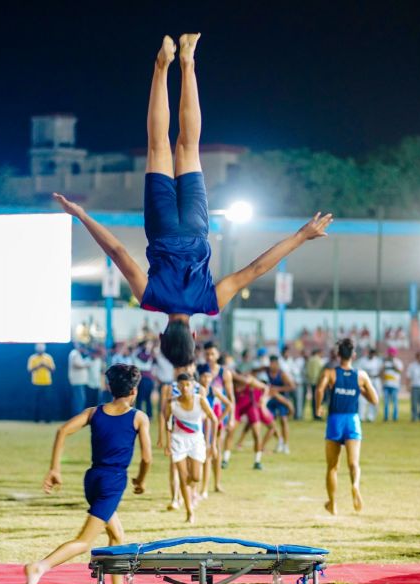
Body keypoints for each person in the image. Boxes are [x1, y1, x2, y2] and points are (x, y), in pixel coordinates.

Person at [53, 34, 332, 367]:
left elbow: (256, 268)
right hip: (162, 227)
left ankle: (188, 61)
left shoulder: (210, 301)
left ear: (195, 336)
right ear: (162, 336)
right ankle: (162, 64)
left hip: (197, 226)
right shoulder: (150, 298)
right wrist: (82, 216)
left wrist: (302, 235)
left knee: (189, 146)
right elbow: (118, 253)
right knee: (159, 146)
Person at [22, 364, 152, 584]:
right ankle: (40, 566)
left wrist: (55, 469)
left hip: (92, 479)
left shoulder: (94, 412)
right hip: (112, 483)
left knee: (116, 535)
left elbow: (62, 431)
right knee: (84, 541)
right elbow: (147, 458)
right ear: (134, 391)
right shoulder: (138, 417)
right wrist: (141, 481)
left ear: (108, 387)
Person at [315, 338, 378, 514]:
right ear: (354, 355)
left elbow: (319, 389)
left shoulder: (330, 373)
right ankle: (355, 486)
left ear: (337, 355)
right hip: (352, 420)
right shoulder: (361, 376)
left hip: (335, 419)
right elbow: (375, 400)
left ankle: (333, 503)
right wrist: (360, 390)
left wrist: (318, 407)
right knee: (354, 463)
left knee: (333, 466)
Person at [165, 373, 217, 523]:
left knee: (195, 477)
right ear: (178, 386)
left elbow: (213, 419)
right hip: (178, 441)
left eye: (187, 385)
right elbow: (167, 421)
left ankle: (188, 490)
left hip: (196, 441)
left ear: (193, 385)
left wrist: (211, 444)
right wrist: (167, 442)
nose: (185, 388)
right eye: (182, 385)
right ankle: (189, 512)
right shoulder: (172, 403)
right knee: (182, 476)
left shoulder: (200, 400)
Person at [197, 364, 233, 497]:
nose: (206, 379)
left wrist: (218, 420)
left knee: (208, 457)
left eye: (209, 376)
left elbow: (229, 404)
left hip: (209, 428)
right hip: (197, 426)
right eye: (204, 376)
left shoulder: (213, 391)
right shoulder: (195, 390)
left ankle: (204, 489)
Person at [267, 355, 295, 453]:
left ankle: (286, 445)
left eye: (273, 364)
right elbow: (256, 370)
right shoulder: (267, 370)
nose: (271, 365)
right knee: (270, 422)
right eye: (270, 363)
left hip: (282, 399)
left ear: (277, 364)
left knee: (283, 420)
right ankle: (280, 440)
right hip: (272, 400)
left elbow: (292, 386)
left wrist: (278, 389)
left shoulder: (282, 374)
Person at [27, 343, 56, 423]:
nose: (40, 349)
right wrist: (39, 365)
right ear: (36, 349)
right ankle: (36, 419)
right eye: (39, 348)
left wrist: (45, 365)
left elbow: (53, 370)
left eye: (41, 348)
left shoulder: (48, 357)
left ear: (44, 349)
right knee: (36, 402)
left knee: (48, 402)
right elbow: (29, 370)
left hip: (47, 383)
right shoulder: (32, 358)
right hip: (36, 383)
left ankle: (48, 420)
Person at [356, 348, 382, 422]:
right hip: (365, 380)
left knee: (374, 397)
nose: (372, 355)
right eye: (371, 353)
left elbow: (381, 370)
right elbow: (358, 370)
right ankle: (361, 416)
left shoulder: (378, 361)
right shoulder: (362, 361)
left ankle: (371, 416)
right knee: (362, 399)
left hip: (375, 380)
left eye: (374, 353)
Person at [68, 343, 90, 416]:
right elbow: (76, 364)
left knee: (79, 399)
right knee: (79, 400)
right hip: (77, 381)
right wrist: (86, 365)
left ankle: (77, 416)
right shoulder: (75, 353)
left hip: (79, 381)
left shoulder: (77, 354)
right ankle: (77, 417)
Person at [381, 347, 403, 421]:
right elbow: (381, 372)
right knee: (386, 402)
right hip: (386, 385)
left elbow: (400, 371)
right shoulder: (385, 362)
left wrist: (393, 363)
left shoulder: (398, 362)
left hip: (395, 385)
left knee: (395, 402)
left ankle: (395, 417)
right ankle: (386, 417)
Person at [305, 349, 325, 420]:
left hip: (312, 382)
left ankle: (314, 415)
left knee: (314, 399)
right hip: (319, 382)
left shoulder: (310, 360)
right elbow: (322, 371)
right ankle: (318, 415)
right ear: (318, 353)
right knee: (319, 399)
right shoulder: (319, 360)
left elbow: (307, 371)